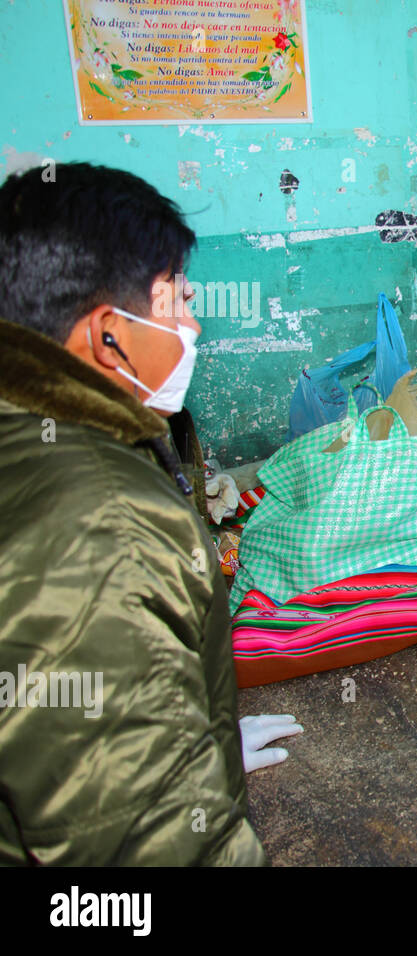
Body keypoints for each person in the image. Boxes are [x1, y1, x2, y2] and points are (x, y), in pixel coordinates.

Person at [0, 162, 282, 864]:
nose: (191, 322)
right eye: (173, 301)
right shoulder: (110, 530)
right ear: (107, 334)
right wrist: (179, 801)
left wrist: (193, 747)